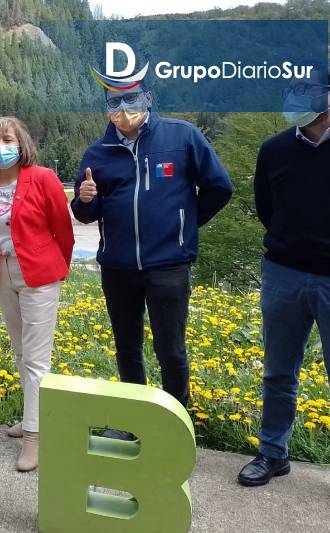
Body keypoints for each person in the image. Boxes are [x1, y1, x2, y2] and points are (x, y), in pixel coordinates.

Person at [71, 84, 232, 436]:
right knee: (127, 348)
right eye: (115, 101)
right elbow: (85, 213)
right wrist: (84, 199)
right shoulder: (97, 153)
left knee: (170, 348)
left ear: (148, 100)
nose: (124, 107)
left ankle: (176, 426)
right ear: (106, 107)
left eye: (131, 99)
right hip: (117, 268)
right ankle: (133, 424)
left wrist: (183, 227)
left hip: (168, 266)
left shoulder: (183, 136)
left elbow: (220, 187)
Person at [238, 73, 330, 487]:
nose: (296, 97)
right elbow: (266, 208)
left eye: (307, 90)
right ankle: (273, 453)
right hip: (284, 273)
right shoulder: (273, 149)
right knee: (278, 372)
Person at [0, 117, 74, 471]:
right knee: (19, 350)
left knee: (36, 358)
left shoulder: (44, 178)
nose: (1, 146)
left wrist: (58, 266)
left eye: (8, 139)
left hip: (40, 273)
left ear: (22, 144)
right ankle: (33, 417)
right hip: (3, 272)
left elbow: (63, 228)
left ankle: (34, 435)